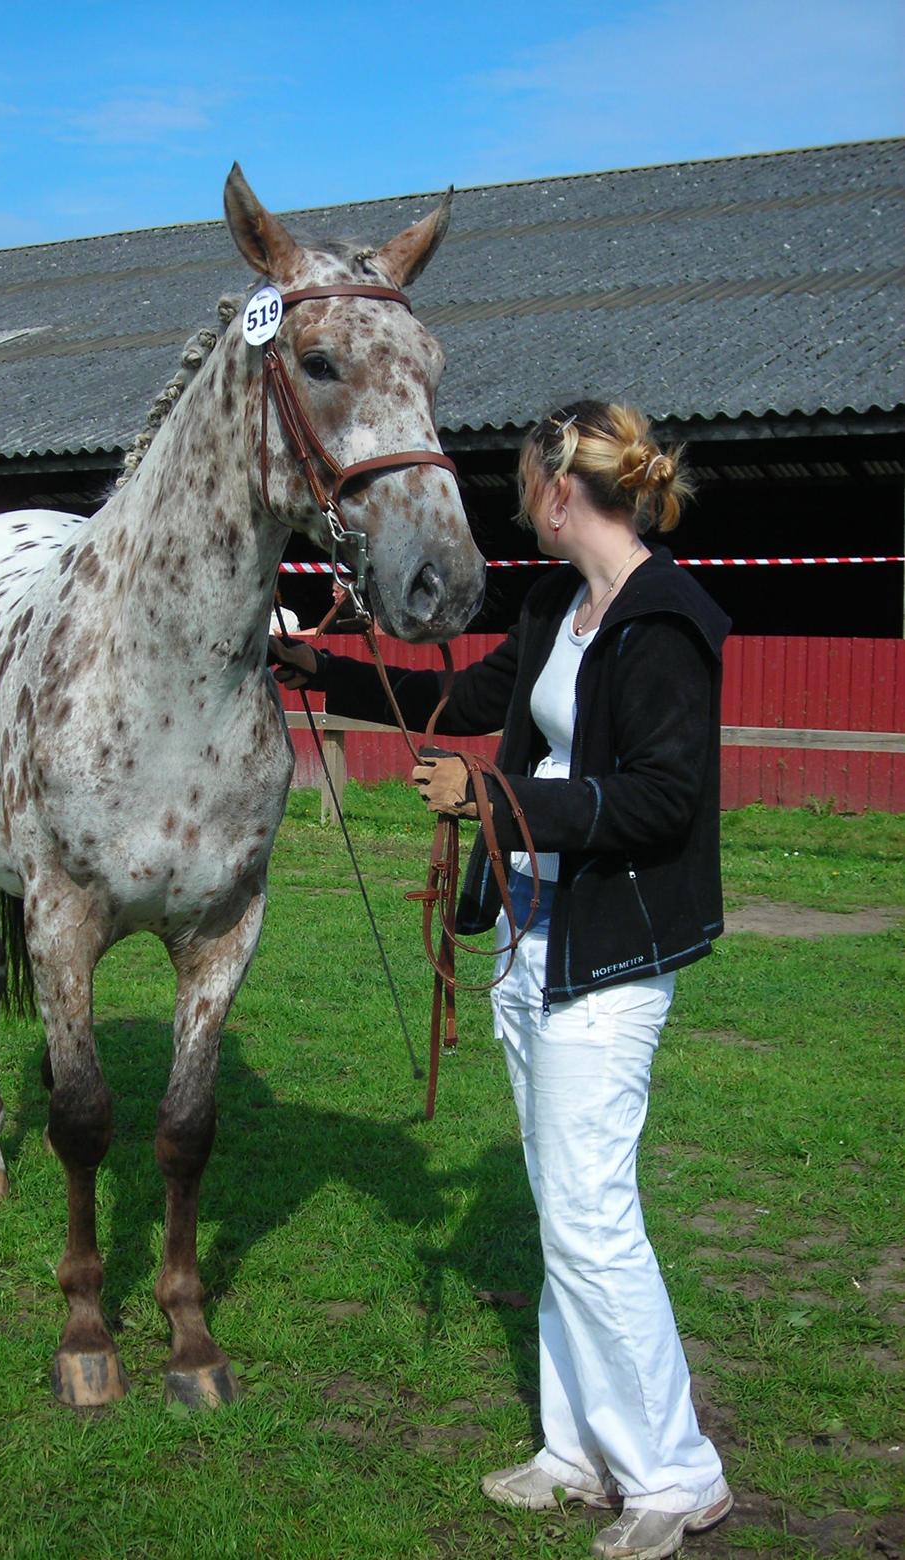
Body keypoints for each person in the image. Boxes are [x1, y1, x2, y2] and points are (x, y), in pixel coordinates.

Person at [269, 400, 733, 1560]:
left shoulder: (665, 623)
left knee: (591, 1216)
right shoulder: (555, 610)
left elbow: (665, 800)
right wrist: (306, 663)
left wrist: (496, 801)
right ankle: (579, 1450)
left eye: (524, 485)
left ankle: (678, 1472)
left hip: (610, 949)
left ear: (559, 491)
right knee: (561, 1210)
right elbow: (458, 703)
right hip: (532, 938)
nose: (516, 504)